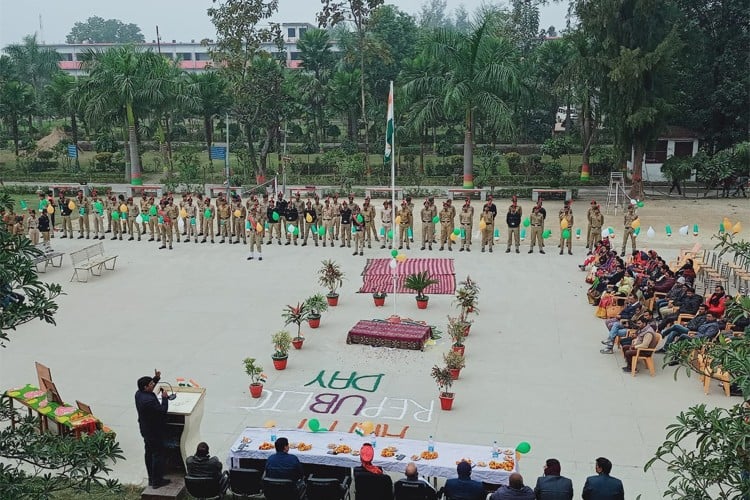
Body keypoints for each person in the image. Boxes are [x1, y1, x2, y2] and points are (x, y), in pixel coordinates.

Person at [135, 369, 171, 489]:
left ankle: (151, 478)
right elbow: (162, 411)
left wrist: (156, 378)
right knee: (158, 454)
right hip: (154, 432)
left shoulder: (139, 394)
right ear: (145, 387)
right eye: (151, 384)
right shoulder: (148, 401)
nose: (153, 385)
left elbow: (150, 385)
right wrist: (165, 398)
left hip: (145, 430)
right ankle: (157, 480)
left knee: (149, 452)